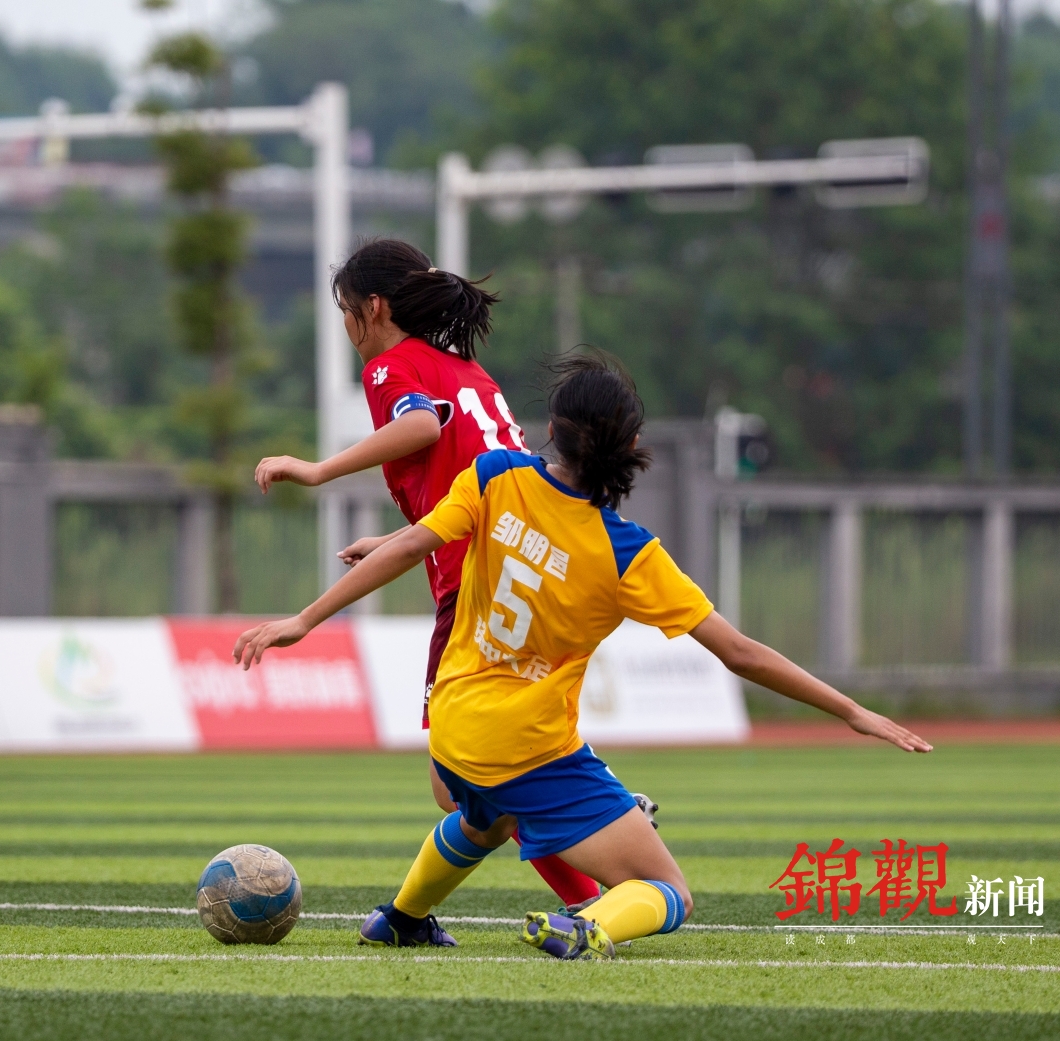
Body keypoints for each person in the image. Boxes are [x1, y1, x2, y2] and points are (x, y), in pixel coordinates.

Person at [234, 351, 931, 957]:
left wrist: (303, 618)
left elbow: (417, 541)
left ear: (551, 434)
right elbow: (741, 652)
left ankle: (401, 918)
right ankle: (589, 923)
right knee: (668, 890)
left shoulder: (494, 474)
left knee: (486, 815)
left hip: (451, 723)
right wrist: (850, 709)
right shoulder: (628, 550)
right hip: (529, 747)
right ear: (629, 447)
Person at [252, 238, 606, 913]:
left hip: (476, 586)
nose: (347, 327)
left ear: (373, 308)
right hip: (532, 568)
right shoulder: (466, 372)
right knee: (489, 776)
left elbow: (418, 428)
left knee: (465, 787)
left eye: (345, 311)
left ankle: (593, 809)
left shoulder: (392, 368)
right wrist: (394, 535)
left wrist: (318, 470)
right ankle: (587, 863)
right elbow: (487, 479)